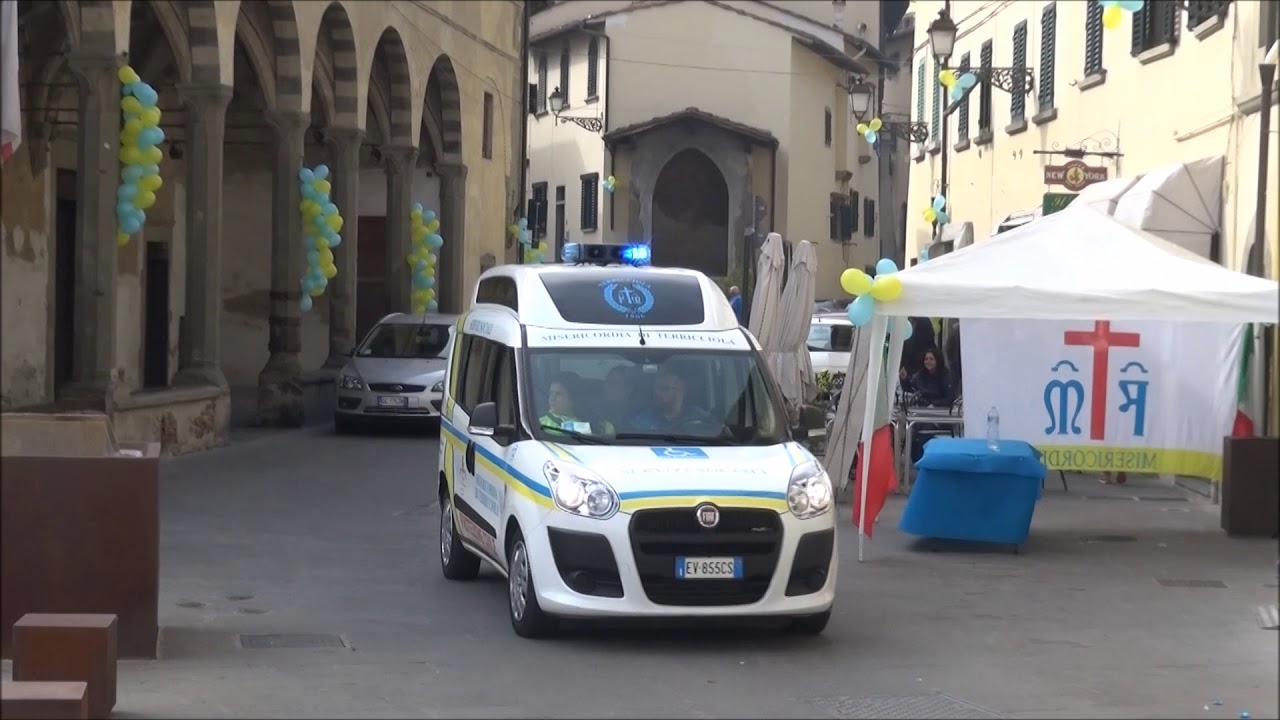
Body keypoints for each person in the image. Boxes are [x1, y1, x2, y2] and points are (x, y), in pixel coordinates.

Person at [629, 369, 711, 431]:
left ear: (680, 391)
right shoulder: (643, 418)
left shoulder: (699, 417)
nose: (657, 392)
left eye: (665, 388)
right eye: (656, 388)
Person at [539, 374, 613, 435]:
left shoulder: (600, 425)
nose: (552, 398)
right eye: (551, 393)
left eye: (559, 394)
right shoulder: (538, 422)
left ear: (573, 399)